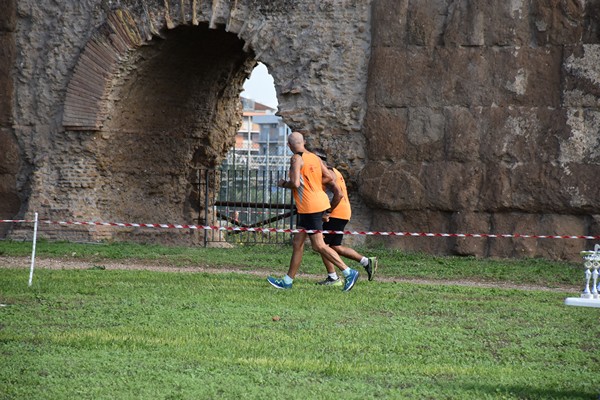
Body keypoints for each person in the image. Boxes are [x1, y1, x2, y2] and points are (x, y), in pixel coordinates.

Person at [266, 131, 360, 292]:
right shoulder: (315, 158)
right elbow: (329, 178)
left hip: (310, 207)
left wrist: (283, 183)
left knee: (319, 245)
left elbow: (295, 183)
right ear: (303, 143)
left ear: (289, 146)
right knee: (298, 243)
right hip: (317, 203)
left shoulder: (296, 158)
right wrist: (314, 183)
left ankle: (349, 272)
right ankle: (287, 281)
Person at [312, 149, 378, 286]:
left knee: (322, 246)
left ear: (318, 160)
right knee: (335, 246)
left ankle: (333, 278)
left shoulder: (328, 173)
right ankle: (366, 261)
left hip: (335, 212)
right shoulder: (334, 171)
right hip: (343, 212)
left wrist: (327, 212)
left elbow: (339, 194)